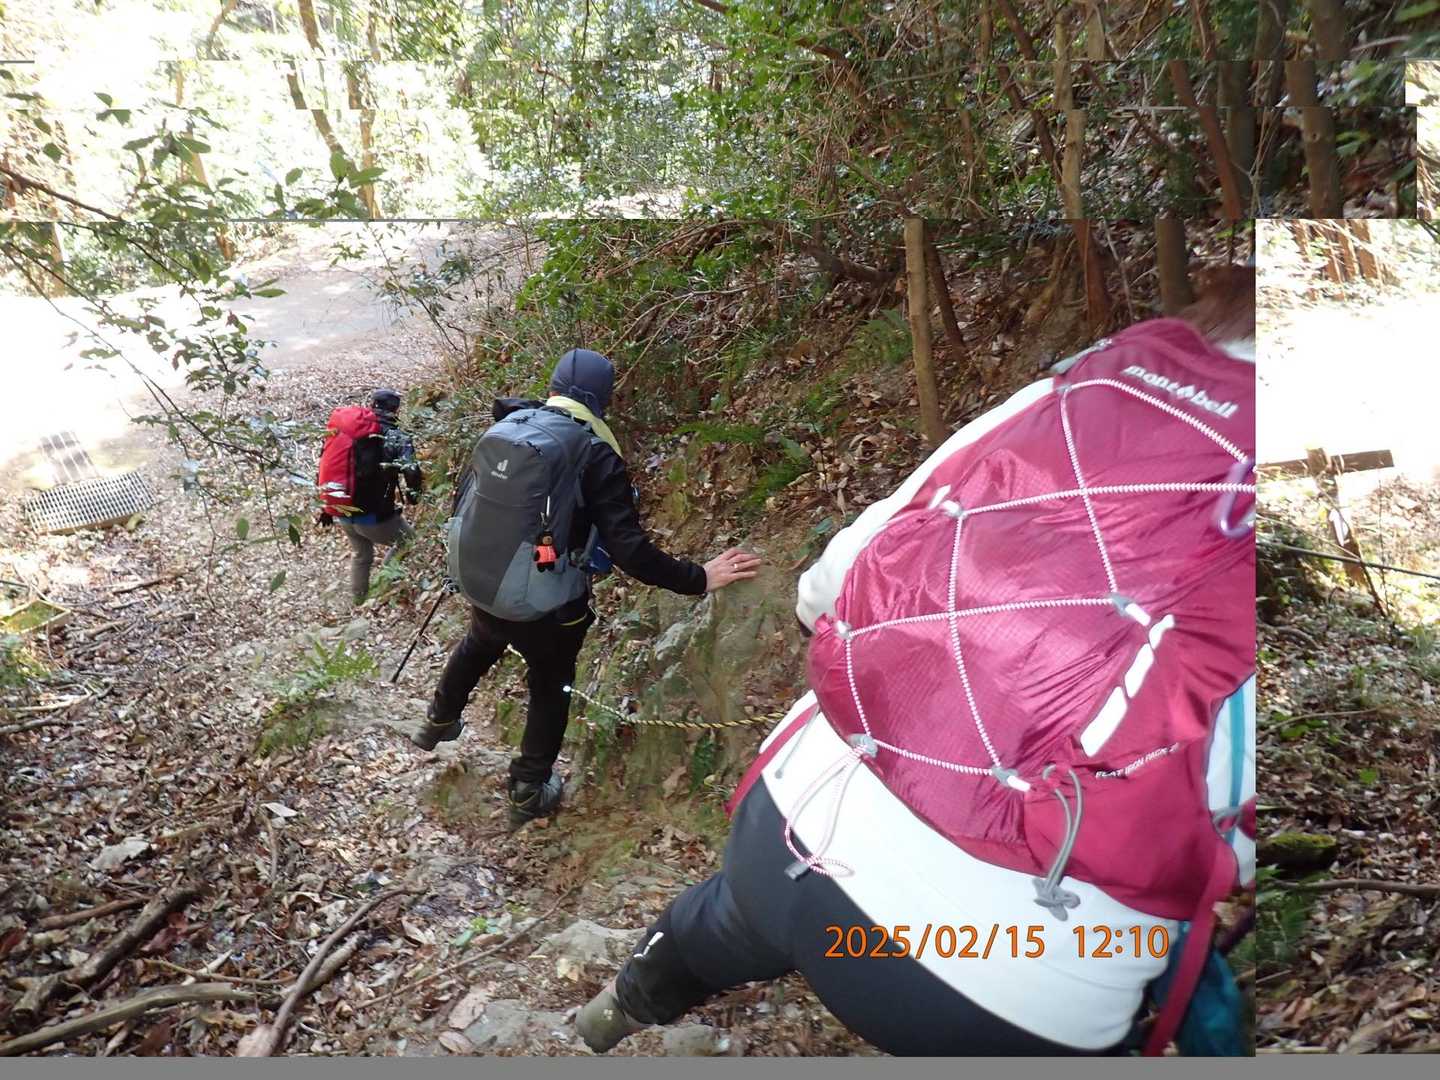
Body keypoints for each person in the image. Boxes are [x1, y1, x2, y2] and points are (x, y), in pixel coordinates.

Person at [576, 267, 1257, 1056]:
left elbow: (828, 586)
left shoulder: (1084, 388)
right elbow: (1226, 844)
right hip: (998, 984)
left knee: (724, 919)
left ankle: (614, 1012)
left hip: (789, 833)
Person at [411, 348, 762, 828]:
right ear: (602, 400)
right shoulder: (593, 453)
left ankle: (438, 720)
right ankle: (528, 788)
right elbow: (629, 549)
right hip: (546, 604)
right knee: (550, 683)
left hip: (482, 579)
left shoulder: (510, 427)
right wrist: (698, 578)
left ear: (553, 388)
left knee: (481, 639)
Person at [322, 388, 423, 606]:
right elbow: (412, 470)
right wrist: (414, 496)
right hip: (372, 515)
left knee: (362, 555)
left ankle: (358, 601)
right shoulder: (396, 436)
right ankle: (383, 585)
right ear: (396, 410)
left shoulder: (350, 432)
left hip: (343, 510)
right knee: (408, 541)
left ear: (372, 406)